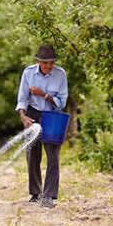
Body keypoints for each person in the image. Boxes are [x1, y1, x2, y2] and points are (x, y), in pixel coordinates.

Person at [15, 45, 68, 208]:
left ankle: (49, 196)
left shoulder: (60, 75)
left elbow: (62, 102)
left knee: (53, 157)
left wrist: (43, 95)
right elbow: (22, 98)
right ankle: (35, 193)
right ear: (38, 61)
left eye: (52, 62)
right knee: (32, 155)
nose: (49, 66)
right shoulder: (28, 73)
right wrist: (23, 116)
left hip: (52, 116)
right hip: (33, 113)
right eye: (46, 63)